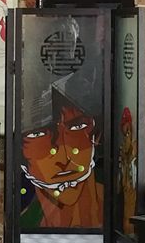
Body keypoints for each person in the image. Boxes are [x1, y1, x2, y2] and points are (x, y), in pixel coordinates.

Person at [18, 86, 104, 229]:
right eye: (37, 134)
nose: (63, 159)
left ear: (97, 136)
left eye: (77, 126)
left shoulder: (117, 208)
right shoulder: (26, 224)